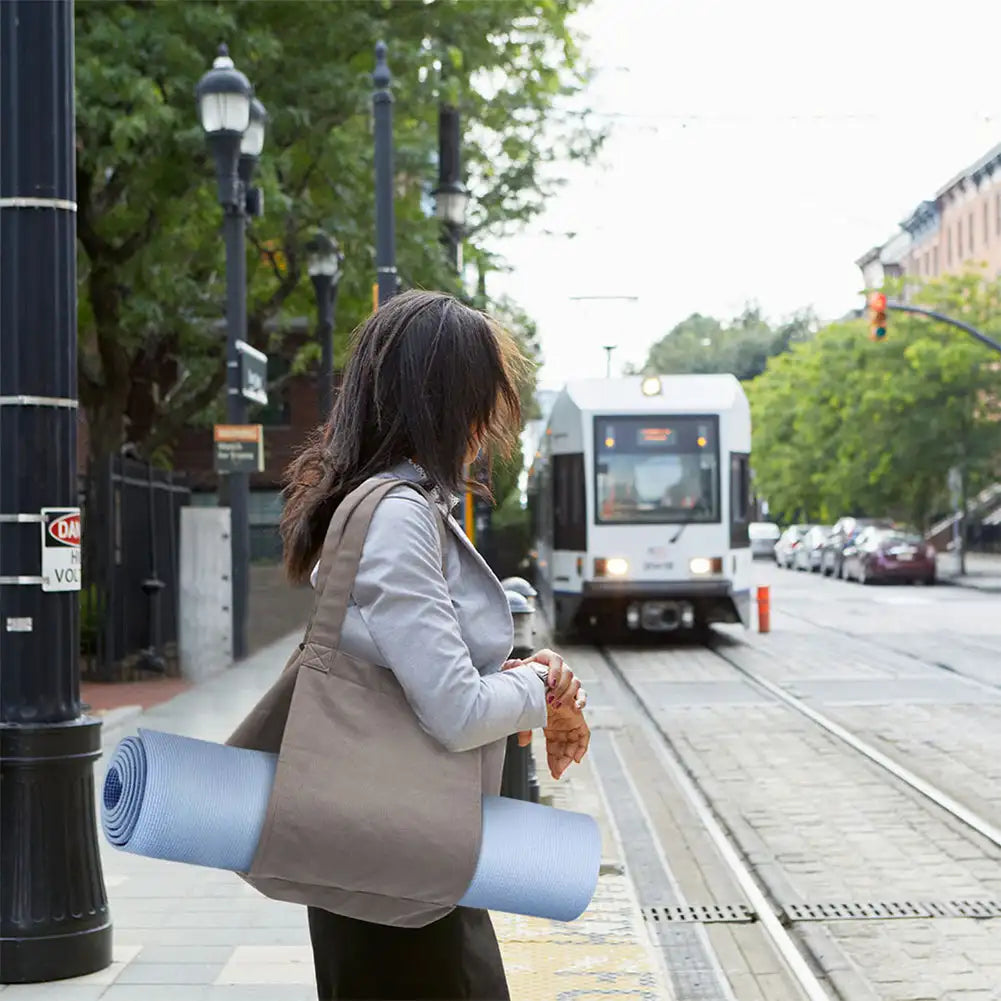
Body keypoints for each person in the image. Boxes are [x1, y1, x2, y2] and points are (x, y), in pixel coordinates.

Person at [279, 289, 591, 1001]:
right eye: (482, 395)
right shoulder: (396, 515)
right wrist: (537, 690)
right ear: (445, 400)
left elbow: (413, 673)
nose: (488, 420)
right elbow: (451, 709)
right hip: (398, 864)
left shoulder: (383, 502)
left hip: (392, 848)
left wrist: (517, 680)